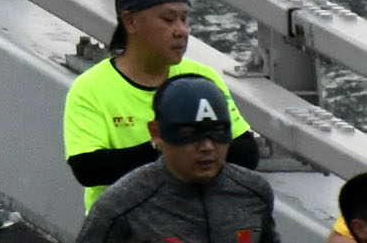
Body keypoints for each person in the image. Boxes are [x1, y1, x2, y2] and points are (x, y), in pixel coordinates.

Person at [64, 0, 253, 191]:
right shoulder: (90, 87)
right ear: (131, 22)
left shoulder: (203, 78)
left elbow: (246, 151)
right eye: (168, 19)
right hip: (125, 220)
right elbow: (88, 168)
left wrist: (170, 147)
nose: (182, 31)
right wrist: (173, 145)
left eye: (184, 19)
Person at [64, 79, 269, 243]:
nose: (207, 146)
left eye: (218, 132)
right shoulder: (120, 206)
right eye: (190, 133)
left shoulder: (254, 193)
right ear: (156, 133)